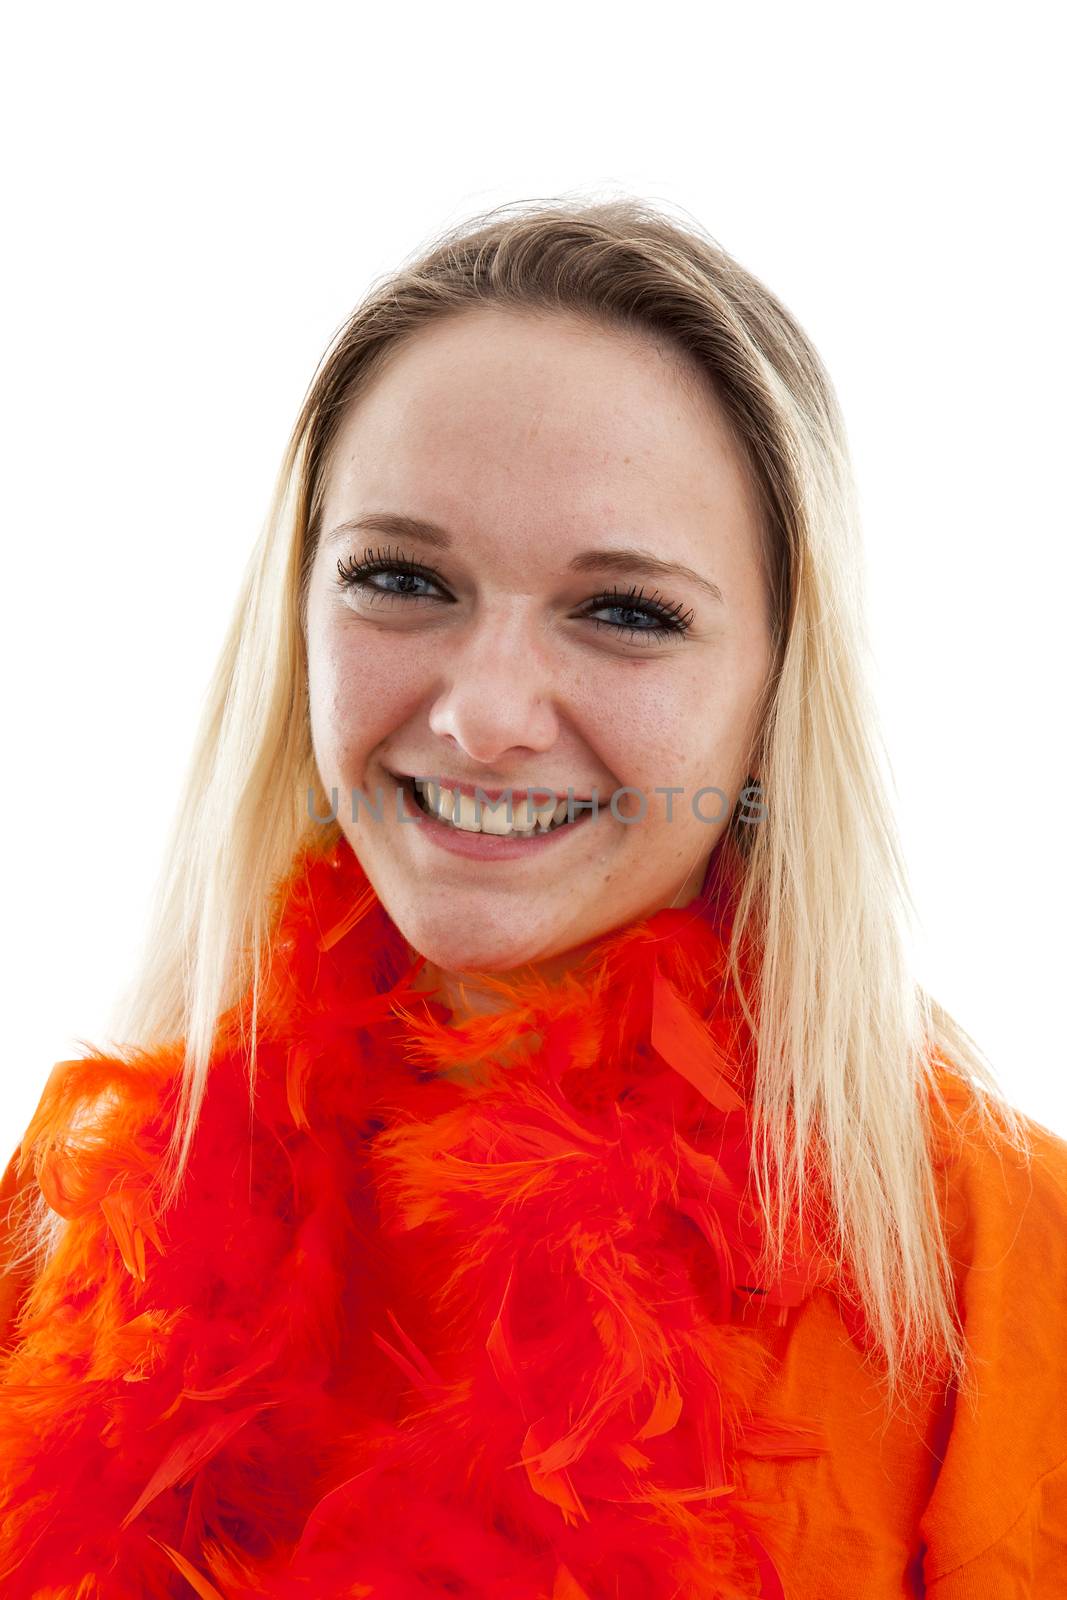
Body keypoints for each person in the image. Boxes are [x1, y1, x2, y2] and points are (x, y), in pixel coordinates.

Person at [1, 196, 1064, 1598]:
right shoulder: (91, 1202)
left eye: (625, 611)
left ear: (777, 687)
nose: (485, 716)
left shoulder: (991, 1258)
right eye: (399, 578)